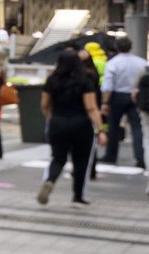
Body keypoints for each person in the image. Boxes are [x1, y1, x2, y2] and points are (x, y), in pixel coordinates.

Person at [36, 43, 103, 205]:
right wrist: (100, 129)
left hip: (58, 122)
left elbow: (44, 104)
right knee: (81, 161)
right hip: (81, 124)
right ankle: (77, 195)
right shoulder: (85, 80)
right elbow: (91, 107)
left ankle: (50, 180)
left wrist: (50, 117)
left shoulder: (52, 79)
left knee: (58, 158)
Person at [101, 34, 146, 171]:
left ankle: (110, 156)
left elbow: (108, 85)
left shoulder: (112, 63)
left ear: (116, 47)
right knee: (137, 128)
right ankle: (140, 158)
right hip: (136, 95)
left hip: (117, 96)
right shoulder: (142, 62)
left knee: (113, 127)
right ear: (131, 47)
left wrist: (105, 102)